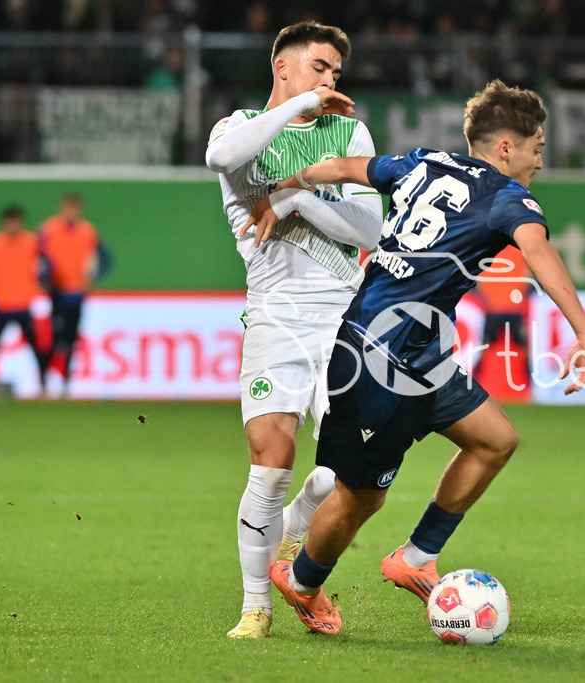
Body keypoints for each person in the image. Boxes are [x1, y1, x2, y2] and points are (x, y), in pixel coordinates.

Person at [242, 79, 585, 635]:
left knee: (495, 441)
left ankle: (415, 557)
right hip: (376, 361)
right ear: (506, 148)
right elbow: (538, 251)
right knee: (360, 498)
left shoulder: (423, 163)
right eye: (537, 147)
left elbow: (341, 166)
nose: (539, 161)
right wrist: (583, 332)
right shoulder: (507, 198)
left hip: (422, 354)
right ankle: (303, 580)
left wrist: (285, 189)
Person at [204, 20, 383, 639]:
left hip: (343, 317)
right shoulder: (239, 127)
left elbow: (373, 232)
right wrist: (303, 107)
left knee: (344, 475)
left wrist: (297, 198)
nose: (331, 80)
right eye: (320, 68)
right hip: (275, 314)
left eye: (335, 71)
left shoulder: (349, 133)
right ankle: (256, 606)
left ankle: (297, 527)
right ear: (283, 67)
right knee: (269, 464)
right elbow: (221, 160)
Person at [39, 193, 111, 396]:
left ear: (79, 210)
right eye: (67, 208)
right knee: (52, 339)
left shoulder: (88, 232)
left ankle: (65, 384)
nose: (70, 212)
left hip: (77, 294)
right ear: (62, 208)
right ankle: (44, 382)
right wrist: (44, 278)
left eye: (74, 208)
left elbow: (106, 259)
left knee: (70, 341)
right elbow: (37, 256)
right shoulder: (49, 229)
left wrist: (91, 278)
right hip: (57, 293)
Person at [0, 206, 49, 395]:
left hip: (23, 304)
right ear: (4, 223)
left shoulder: (32, 242)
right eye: (10, 222)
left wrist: (39, 279)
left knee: (36, 348)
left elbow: (49, 265)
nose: (13, 226)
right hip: (3, 303)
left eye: (16, 222)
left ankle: (44, 385)